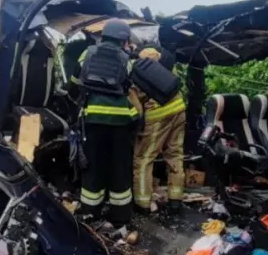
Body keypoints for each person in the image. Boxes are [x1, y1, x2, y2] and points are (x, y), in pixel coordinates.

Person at [70, 19, 139, 225]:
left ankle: (91, 211)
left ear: (104, 35)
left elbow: (74, 83)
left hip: (92, 120)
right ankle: (121, 215)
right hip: (120, 122)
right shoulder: (126, 59)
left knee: (93, 166)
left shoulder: (87, 54)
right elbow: (129, 86)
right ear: (123, 39)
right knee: (119, 166)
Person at [129, 46, 186, 214]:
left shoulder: (137, 73)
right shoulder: (166, 66)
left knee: (144, 159)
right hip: (179, 108)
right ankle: (175, 200)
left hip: (157, 115)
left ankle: (142, 203)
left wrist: (137, 127)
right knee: (175, 154)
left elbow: (137, 108)